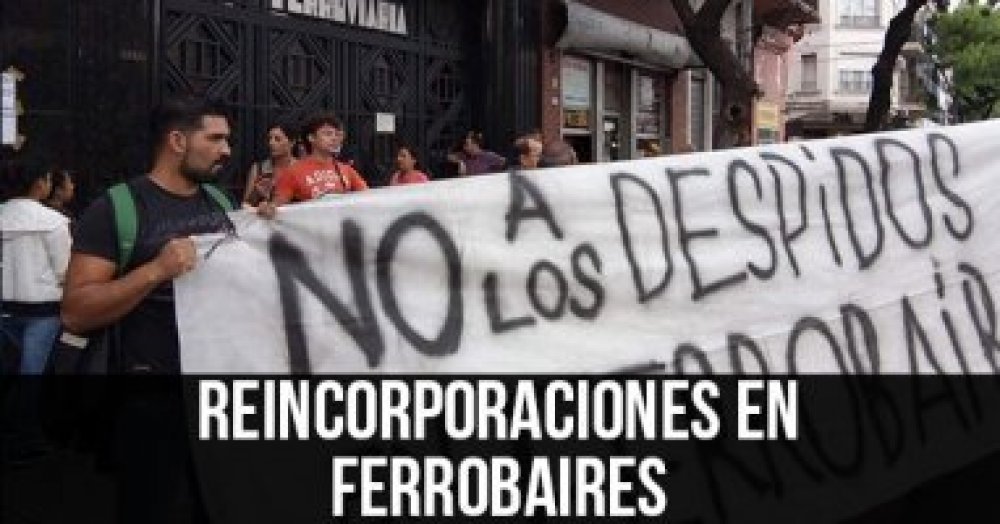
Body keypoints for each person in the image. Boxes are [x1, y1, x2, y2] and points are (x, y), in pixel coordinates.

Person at [61, 95, 235, 523]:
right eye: (215, 139)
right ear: (177, 141)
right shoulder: (116, 209)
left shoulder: (221, 203)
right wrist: (155, 270)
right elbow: (76, 312)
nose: (227, 150)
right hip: (148, 400)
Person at [1, 160, 72, 374]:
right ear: (39, 184)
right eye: (48, 179)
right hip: (43, 312)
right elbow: (64, 270)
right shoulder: (55, 222)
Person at [269, 112, 367, 207]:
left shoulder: (347, 170)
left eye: (336, 134)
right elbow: (276, 208)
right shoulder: (293, 172)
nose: (334, 138)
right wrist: (267, 207)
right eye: (328, 134)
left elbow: (368, 198)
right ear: (311, 137)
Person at [242, 122, 297, 208]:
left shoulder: (300, 168)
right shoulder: (259, 168)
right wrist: (257, 192)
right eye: (270, 139)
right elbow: (245, 206)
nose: (271, 143)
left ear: (292, 142)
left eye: (277, 139)